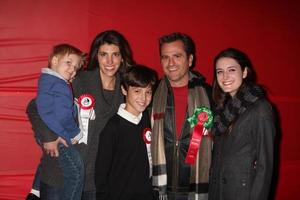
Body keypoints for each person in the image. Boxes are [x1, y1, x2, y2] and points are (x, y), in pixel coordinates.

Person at [26, 30, 135, 200]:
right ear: (96, 56)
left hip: (97, 183)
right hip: (60, 176)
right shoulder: (77, 79)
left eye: (115, 54)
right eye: (103, 54)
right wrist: (48, 137)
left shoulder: (128, 87)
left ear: (123, 57)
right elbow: (34, 107)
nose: (109, 61)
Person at [151, 32, 212, 200]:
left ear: (190, 60)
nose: (171, 63)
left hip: (197, 187)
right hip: (159, 188)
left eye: (177, 56)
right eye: (165, 57)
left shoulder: (210, 95)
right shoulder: (150, 94)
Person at [208, 48, 276, 200]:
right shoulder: (221, 110)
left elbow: (264, 167)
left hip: (242, 193)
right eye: (219, 71)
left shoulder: (260, 109)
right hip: (217, 191)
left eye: (231, 70)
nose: (225, 76)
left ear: (244, 72)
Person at [29, 43, 86, 200]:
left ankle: (35, 190)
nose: (72, 69)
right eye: (68, 63)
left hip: (49, 133)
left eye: (75, 67)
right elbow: (62, 116)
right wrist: (74, 133)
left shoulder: (47, 80)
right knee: (76, 170)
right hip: (57, 134)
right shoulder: (60, 86)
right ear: (54, 60)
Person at [95, 64, 157, 200]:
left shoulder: (148, 120)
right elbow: (101, 174)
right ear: (124, 90)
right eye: (137, 91)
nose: (143, 97)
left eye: (148, 92)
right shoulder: (113, 128)